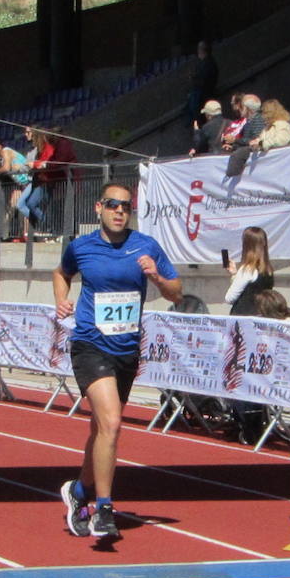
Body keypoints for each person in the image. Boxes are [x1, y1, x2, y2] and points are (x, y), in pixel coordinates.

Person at [54, 183, 182, 538]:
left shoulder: (146, 246)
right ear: (99, 208)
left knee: (101, 430)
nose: (119, 211)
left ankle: (78, 491)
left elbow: (177, 292)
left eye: (126, 206)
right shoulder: (81, 247)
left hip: (126, 350)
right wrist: (61, 299)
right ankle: (104, 508)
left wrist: (156, 277)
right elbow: (61, 273)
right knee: (111, 423)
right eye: (112, 205)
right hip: (89, 345)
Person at [225, 226, 276, 443]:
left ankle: (244, 421)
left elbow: (230, 297)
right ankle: (258, 420)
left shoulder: (247, 269)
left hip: (242, 325)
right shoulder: (268, 271)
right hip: (261, 324)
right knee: (256, 372)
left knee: (239, 372)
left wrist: (234, 276)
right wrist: (235, 274)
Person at [16, 127, 55, 238]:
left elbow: (47, 162)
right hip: (36, 179)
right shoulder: (34, 149)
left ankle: (47, 226)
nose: (26, 134)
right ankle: (42, 225)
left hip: (43, 180)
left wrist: (34, 164)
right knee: (27, 204)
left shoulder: (46, 148)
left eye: (28, 132)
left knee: (28, 204)